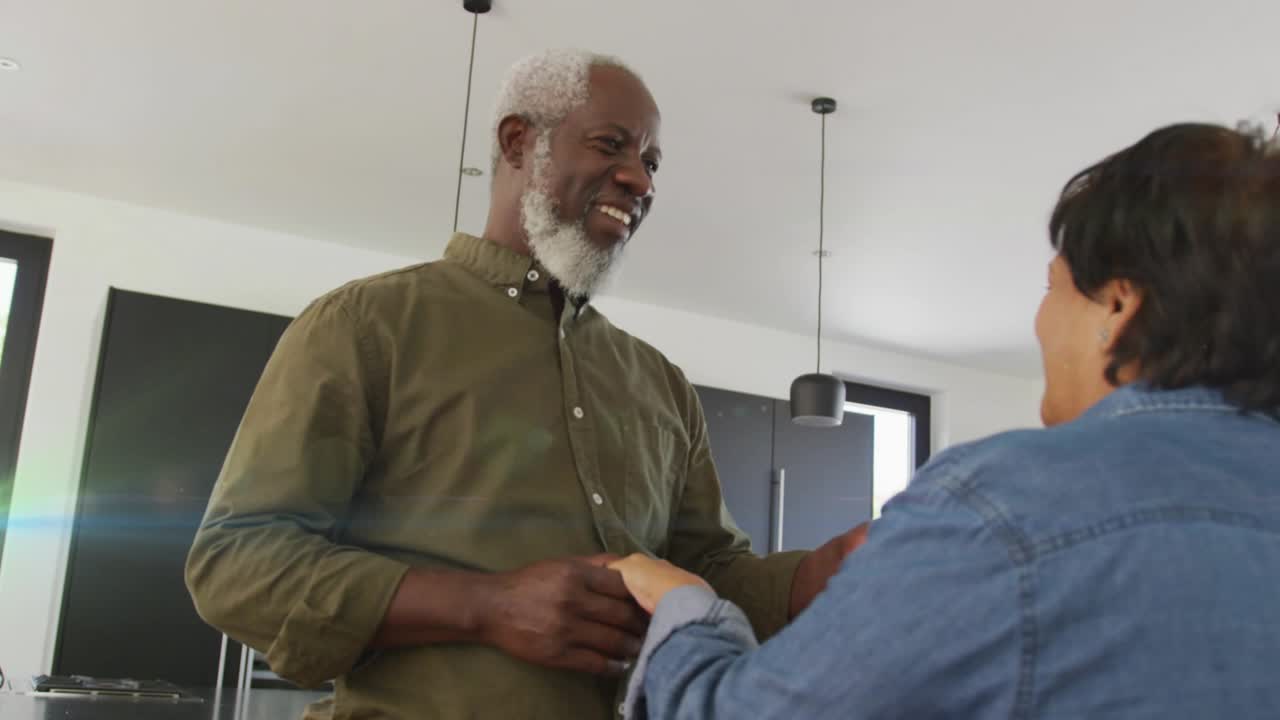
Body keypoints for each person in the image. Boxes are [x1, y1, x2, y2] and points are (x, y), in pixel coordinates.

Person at [184, 49, 862, 720]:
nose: (640, 180)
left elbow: (706, 576)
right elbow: (236, 563)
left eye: (651, 164)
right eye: (611, 145)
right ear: (519, 142)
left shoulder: (660, 384)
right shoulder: (368, 327)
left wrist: (826, 572)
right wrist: (486, 607)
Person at [610, 122, 1280, 719]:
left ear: (1118, 307)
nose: (1041, 320)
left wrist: (690, 611)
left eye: (1053, 286)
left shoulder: (1005, 502)